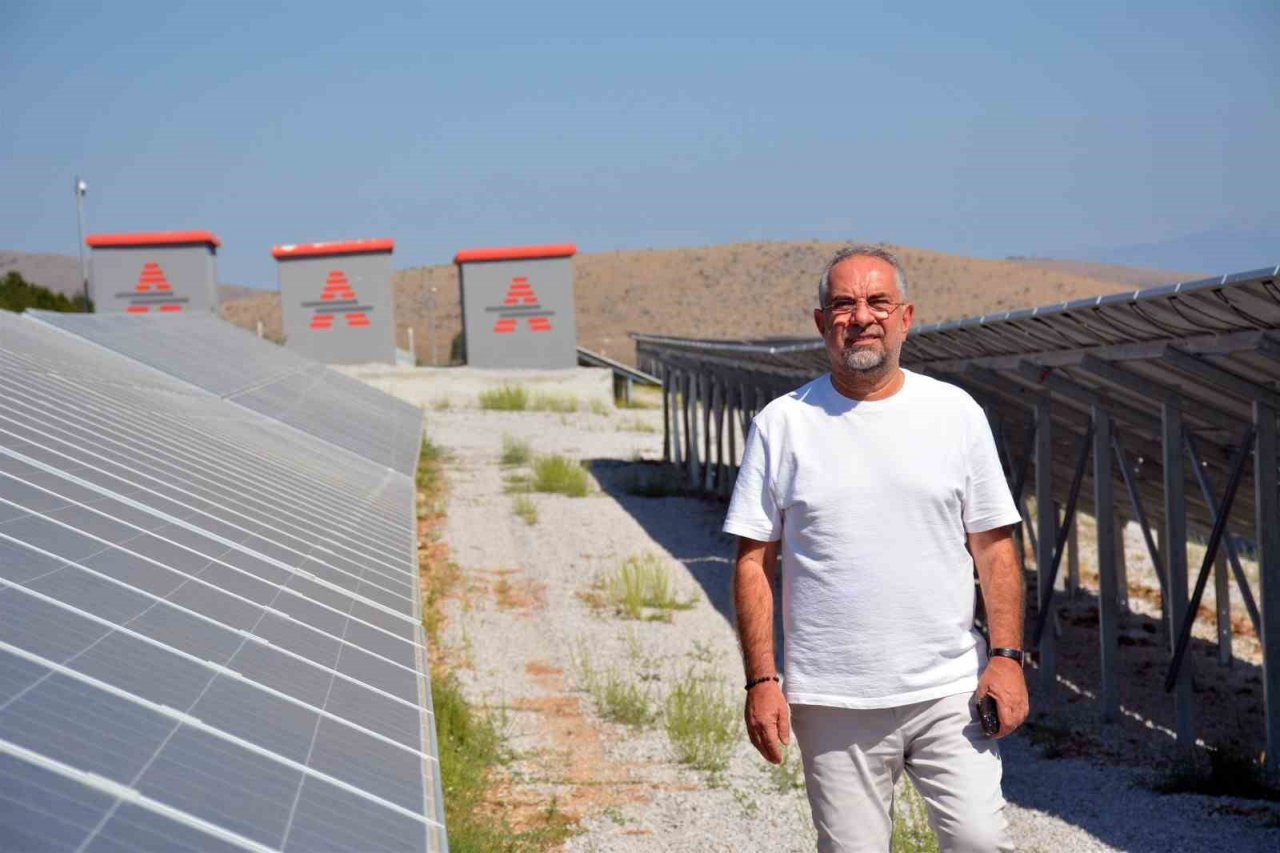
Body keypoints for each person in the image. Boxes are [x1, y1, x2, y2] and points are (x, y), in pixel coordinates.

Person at [725, 246, 1028, 852]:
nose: (860, 316)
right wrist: (761, 680)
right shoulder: (782, 424)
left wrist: (1008, 658)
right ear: (821, 323)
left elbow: (994, 548)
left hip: (949, 689)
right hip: (833, 699)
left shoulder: (954, 414)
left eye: (877, 302)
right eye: (843, 304)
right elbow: (754, 563)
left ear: (905, 317)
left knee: (981, 842)